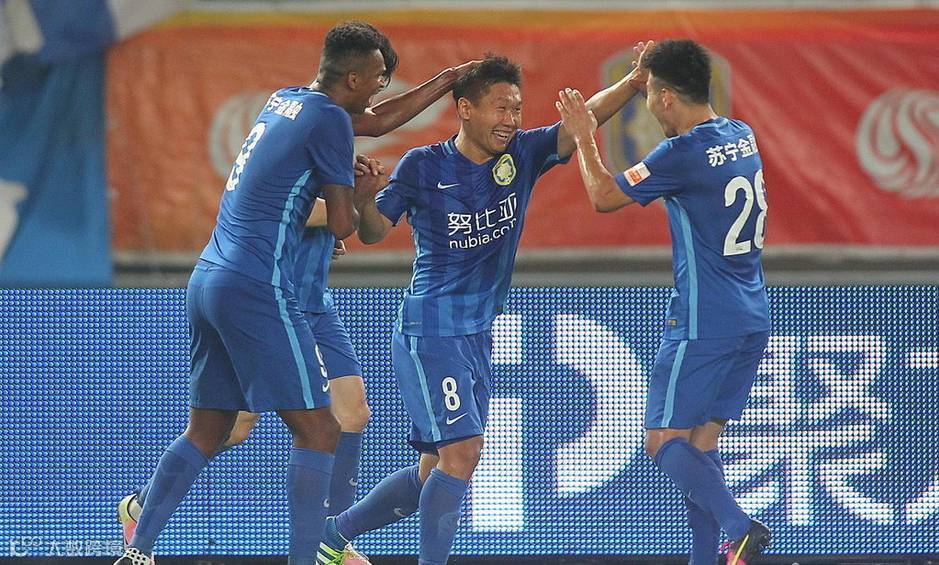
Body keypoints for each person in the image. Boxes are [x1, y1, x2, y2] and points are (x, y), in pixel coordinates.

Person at [116, 37, 480, 547]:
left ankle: (329, 541)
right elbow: (335, 218)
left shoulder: (287, 101)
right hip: (266, 288)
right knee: (274, 427)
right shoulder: (328, 121)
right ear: (353, 78)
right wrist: (355, 200)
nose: (379, 90)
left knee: (347, 411)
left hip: (276, 290)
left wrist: (448, 79)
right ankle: (152, 509)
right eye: (378, 78)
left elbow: (373, 125)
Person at [316, 49, 654, 565]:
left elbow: (579, 122)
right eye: (500, 107)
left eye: (516, 108)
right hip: (432, 329)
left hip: (476, 333)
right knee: (463, 453)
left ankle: (334, 536)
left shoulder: (521, 154)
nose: (511, 119)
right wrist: (364, 199)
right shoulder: (423, 166)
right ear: (465, 109)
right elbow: (373, 231)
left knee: (434, 471)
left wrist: (632, 82)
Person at [555, 39, 772, 565]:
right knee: (700, 446)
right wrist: (639, 76)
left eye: (649, 93)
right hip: (751, 313)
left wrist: (584, 136)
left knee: (662, 442)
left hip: (704, 319)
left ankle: (739, 526)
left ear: (667, 96)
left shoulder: (682, 153)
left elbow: (604, 196)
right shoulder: (740, 134)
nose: (648, 104)